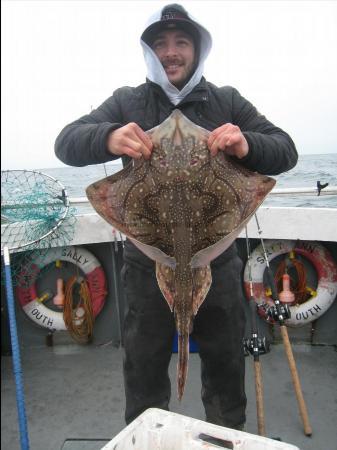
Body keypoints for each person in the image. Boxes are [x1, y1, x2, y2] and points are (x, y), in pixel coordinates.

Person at [55, 3, 298, 430]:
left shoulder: (226, 100)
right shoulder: (127, 101)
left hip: (216, 259)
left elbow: (286, 150)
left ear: (197, 49)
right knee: (144, 364)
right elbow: (66, 143)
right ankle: (146, 432)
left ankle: (224, 434)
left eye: (181, 42)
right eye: (162, 43)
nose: (171, 51)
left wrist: (247, 144)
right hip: (145, 260)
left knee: (224, 362)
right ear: (150, 52)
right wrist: (108, 136)